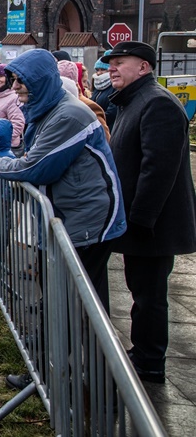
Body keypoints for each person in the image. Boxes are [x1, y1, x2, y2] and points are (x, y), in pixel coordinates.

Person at [0, 49, 126, 390]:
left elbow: (36, 166)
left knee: (81, 307)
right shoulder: (48, 110)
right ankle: (53, 371)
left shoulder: (68, 117)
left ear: (41, 82)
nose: (16, 87)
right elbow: (32, 154)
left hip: (87, 224)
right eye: (14, 80)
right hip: (71, 219)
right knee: (61, 300)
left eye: (21, 81)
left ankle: (91, 382)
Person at [102, 41, 196, 385]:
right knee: (141, 290)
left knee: (150, 295)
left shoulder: (157, 103)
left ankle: (150, 363)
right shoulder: (133, 101)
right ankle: (142, 354)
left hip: (155, 225)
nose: (112, 68)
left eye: (120, 62)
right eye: (110, 63)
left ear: (144, 67)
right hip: (143, 222)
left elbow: (158, 169)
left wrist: (141, 219)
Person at [58, 60, 109, 140]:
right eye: (84, 81)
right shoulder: (52, 105)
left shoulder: (89, 106)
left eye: (85, 81)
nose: (85, 85)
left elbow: (104, 139)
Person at [91, 56, 117, 130]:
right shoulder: (97, 86)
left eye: (103, 69)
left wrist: (93, 119)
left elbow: (112, 113)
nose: (99, 73)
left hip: (108, 129)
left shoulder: (114, 87)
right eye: (97, 70)